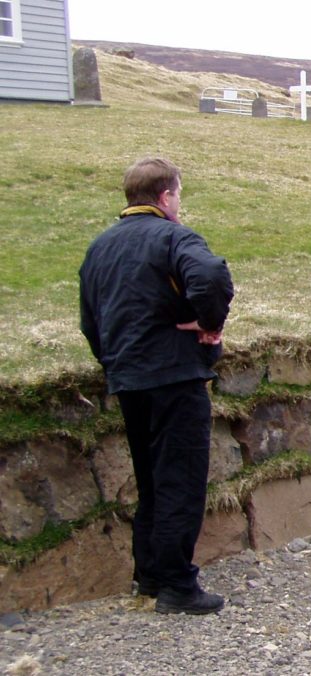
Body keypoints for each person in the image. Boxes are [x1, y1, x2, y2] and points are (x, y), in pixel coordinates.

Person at [79, 157, 234, 615]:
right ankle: (177, 585)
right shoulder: (173, 237)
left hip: (128, 377)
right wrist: (209, 324)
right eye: (178, 194)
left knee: (149, 478)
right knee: (179, 479)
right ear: (165, 196)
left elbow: (90, 319)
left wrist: (113, 360)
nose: (179, 202)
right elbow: (211, 275)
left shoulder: (100, 248)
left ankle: (148, 575)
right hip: (174, 373)